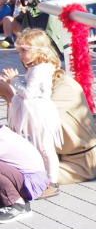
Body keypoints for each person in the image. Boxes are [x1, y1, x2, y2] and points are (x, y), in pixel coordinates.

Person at [0, 29, 96, 185]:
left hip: (81, 163)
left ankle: (48, 185)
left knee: (15, 177)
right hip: (64, 157)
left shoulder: (65, 88)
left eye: (24, 51)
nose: (21, 57)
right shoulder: (45, 79)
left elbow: (32, 127)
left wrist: (11, 95)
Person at [1, 29, 64, 191]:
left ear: (39, 50)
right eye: (19, 51)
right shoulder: (37, 67)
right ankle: (44, 177)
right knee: (36, 145)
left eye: (24, 51)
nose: (21, 55)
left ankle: (52, 181)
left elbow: (29, 94)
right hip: (33, 112)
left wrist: (14, 81)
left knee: (44, 146)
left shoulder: (41, 69)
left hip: (39, 113)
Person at [0, 125, 50, 222]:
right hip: (30, 178)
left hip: (31, 183)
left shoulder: (2, 139)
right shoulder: (4, 132)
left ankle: (18, 206)